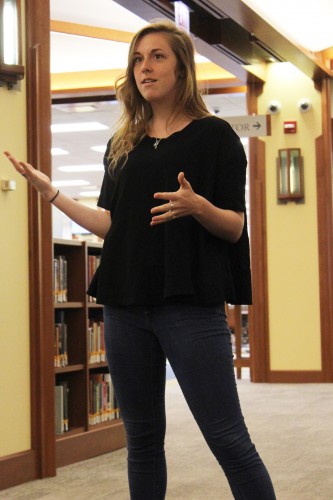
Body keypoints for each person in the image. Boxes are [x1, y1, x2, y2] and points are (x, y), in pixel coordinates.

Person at [4, 19, 276, 500]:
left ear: (182, 68)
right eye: (137, 59)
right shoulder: (122, 144)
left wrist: (198, 207)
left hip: (190, 306)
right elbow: (114, 226)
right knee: (143, 442)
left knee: (228, 438)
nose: (144, 68)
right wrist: (54, 195)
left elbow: (235, 226)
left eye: (156, 57)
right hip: (125, 306)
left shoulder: (215, 137)